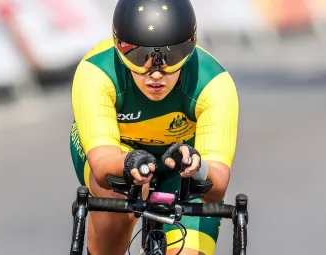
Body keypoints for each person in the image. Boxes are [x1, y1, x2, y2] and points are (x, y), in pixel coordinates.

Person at [70, 0, 239, 254]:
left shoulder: (214, 85)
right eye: (140, 56)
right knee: (117, 190)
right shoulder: (96, 73)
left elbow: (216, 189)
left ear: (190, 47)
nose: (156, 72)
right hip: (119, 154)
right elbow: (103, 164)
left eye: (171, 56)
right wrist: (129, 162)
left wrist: (198, 166)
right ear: (120, 47)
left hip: (182, 169)